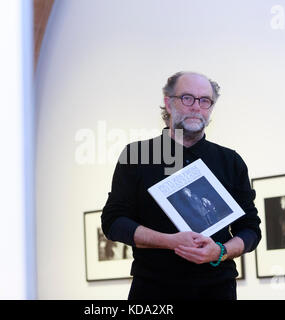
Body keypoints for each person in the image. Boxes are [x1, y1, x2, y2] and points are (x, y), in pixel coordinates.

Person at [101, 71, 261, 300]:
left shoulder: (230, 161)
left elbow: (250, 229)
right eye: (187, 98)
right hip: (153, 290)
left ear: (211, 108)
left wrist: (220, 251)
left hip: (217, 289)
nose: (196, 106)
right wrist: (169, 242)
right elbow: (113, 222)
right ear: (168, 102)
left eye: (204, 100)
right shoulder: (137, 155)